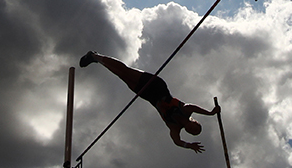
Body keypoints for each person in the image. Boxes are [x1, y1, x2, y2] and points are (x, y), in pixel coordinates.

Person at [80, 51, 219, 153]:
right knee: (125, 71)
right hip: (156, 86)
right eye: (195, 127)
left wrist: (189, 146)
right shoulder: (186, 111)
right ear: (194, 121)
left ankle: (96, 59)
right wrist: (211, 113)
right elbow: (194, 107)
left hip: (147, 95)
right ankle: (95, 56)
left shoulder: (174, 127)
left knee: (121, 75)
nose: (192, 129)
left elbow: (177, 142)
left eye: (193, 132)